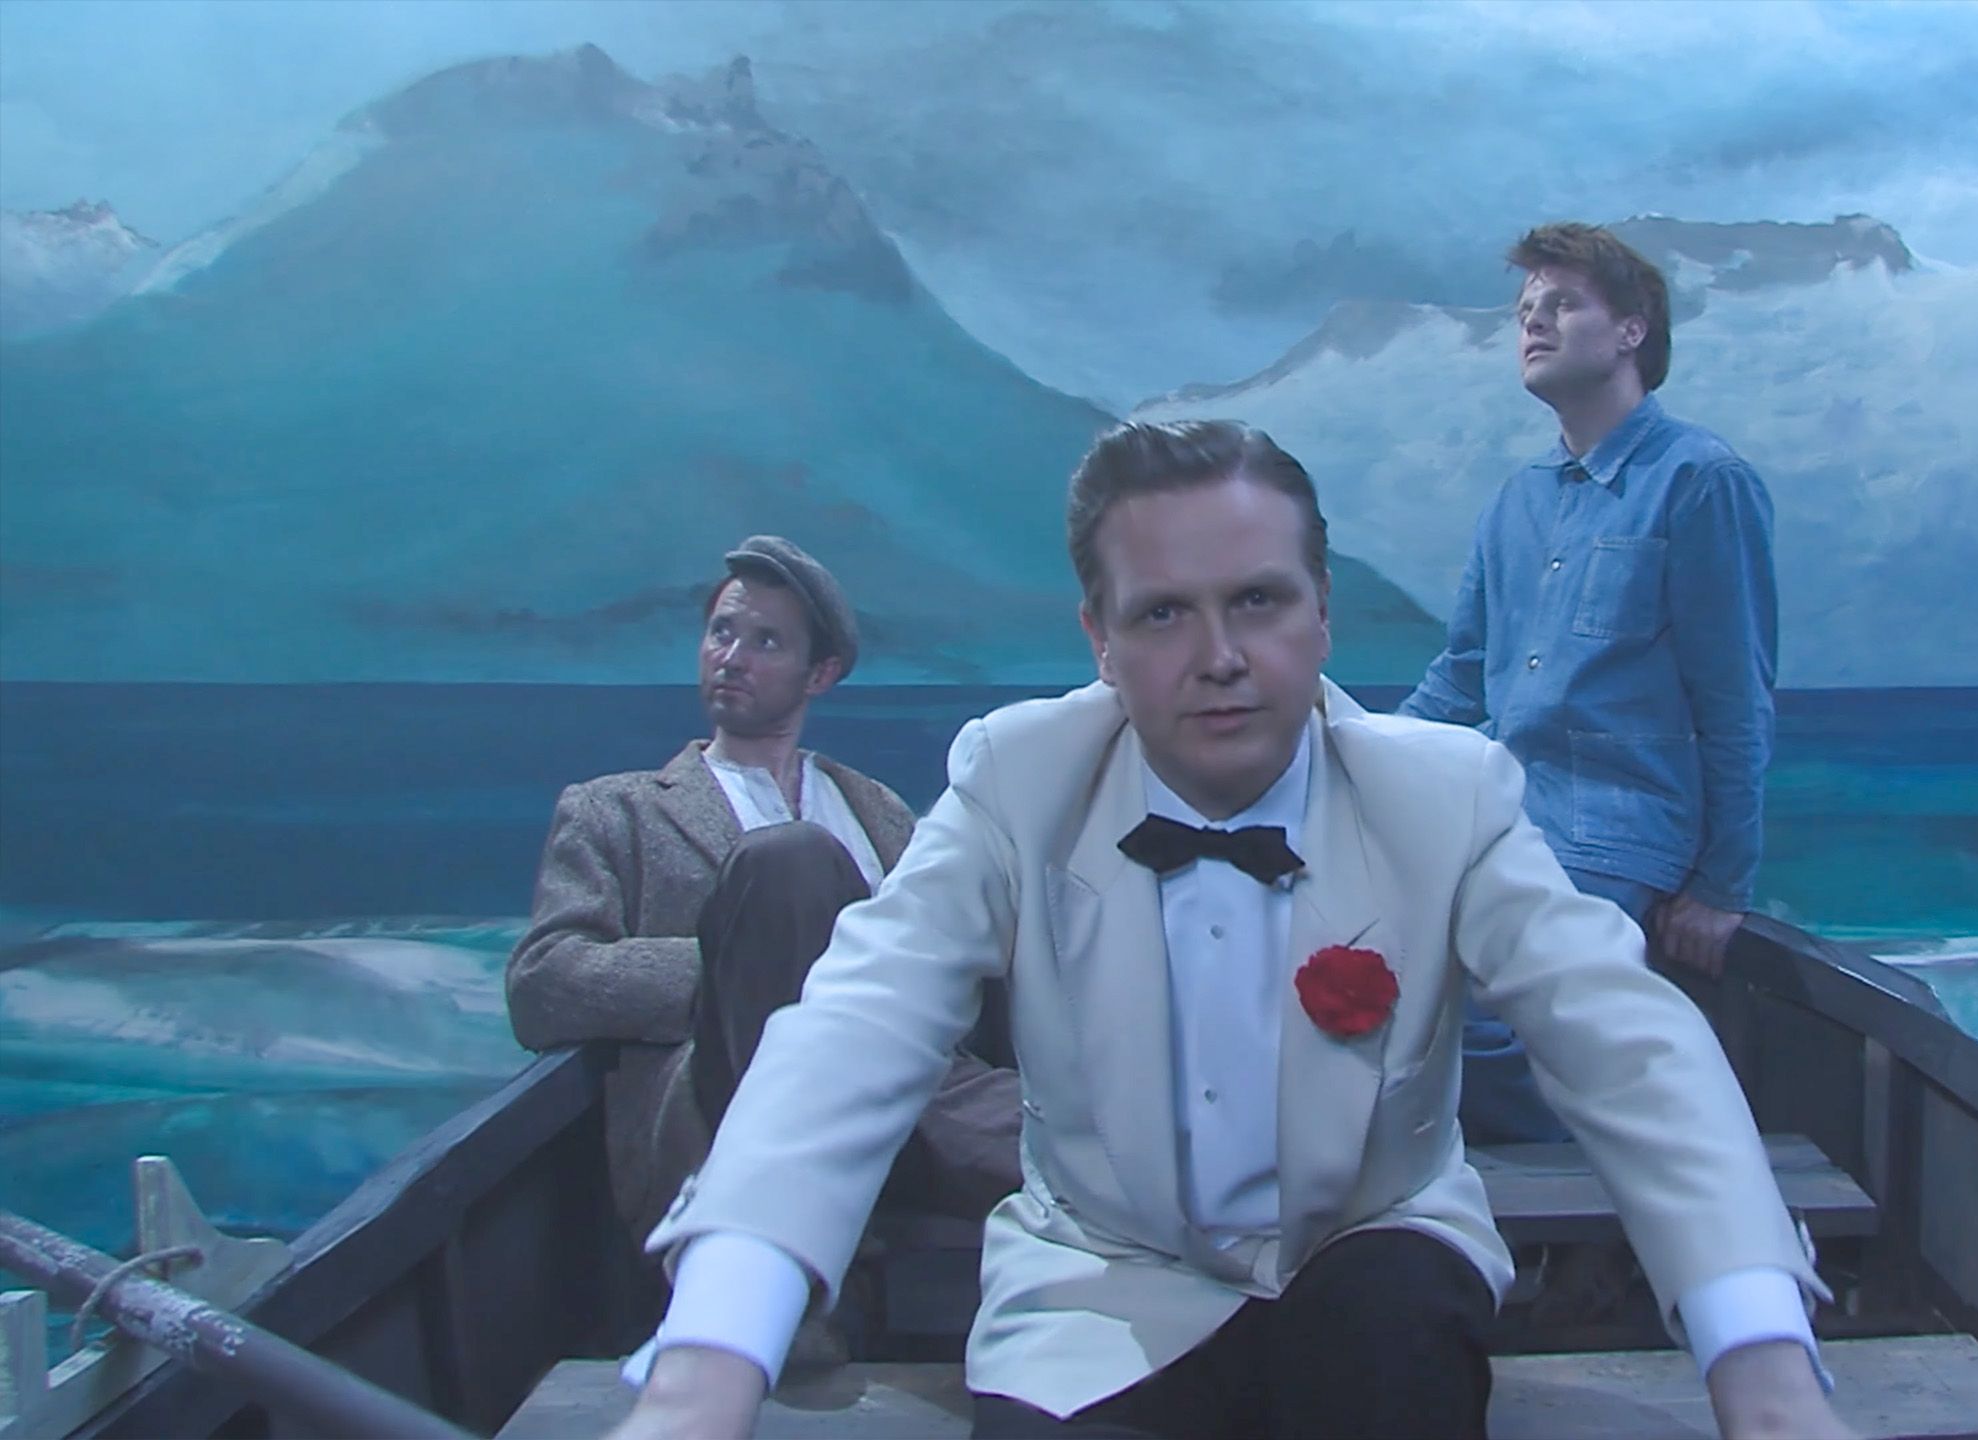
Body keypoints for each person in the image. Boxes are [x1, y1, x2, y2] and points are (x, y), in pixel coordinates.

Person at [602, 424, 1847, 1440]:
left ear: (1320, 615)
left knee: (1390, 1346)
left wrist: (1763, 1365)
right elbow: (856, 1029)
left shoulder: (1447, 792)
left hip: (1374, 1252)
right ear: (1096, 641)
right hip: (1100, 1279)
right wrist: (708, 1357)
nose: (1220, 658)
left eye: (1258, 601)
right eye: (1161, 615)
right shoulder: (1014, 777)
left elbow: (1623, 1040)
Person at [504, 536, 1022, 1299]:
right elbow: (543, 985)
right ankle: (768, 1264)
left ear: (821, 674)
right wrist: (742, 964)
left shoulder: (878, 811)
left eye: (765, 641)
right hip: (729, 1115)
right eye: (721, 632)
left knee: (1105, 1161)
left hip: (908, 1089)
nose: (731, 657)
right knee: (790, 863)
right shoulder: (617, 811)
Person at [1402, 222, 1781, 1144]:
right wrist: (1336, 764)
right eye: (1525, 310)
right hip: (1498, 822)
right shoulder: (1517, 501)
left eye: (1562, 304)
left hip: (1616, 838)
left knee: (1479, 1031)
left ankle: (1654, 1190)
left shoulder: (1701, 482)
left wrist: (1724, 885)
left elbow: (1736, 695)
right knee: (1359, 992)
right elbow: (1459, 680)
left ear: (1631, 331)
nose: (1533, 322)